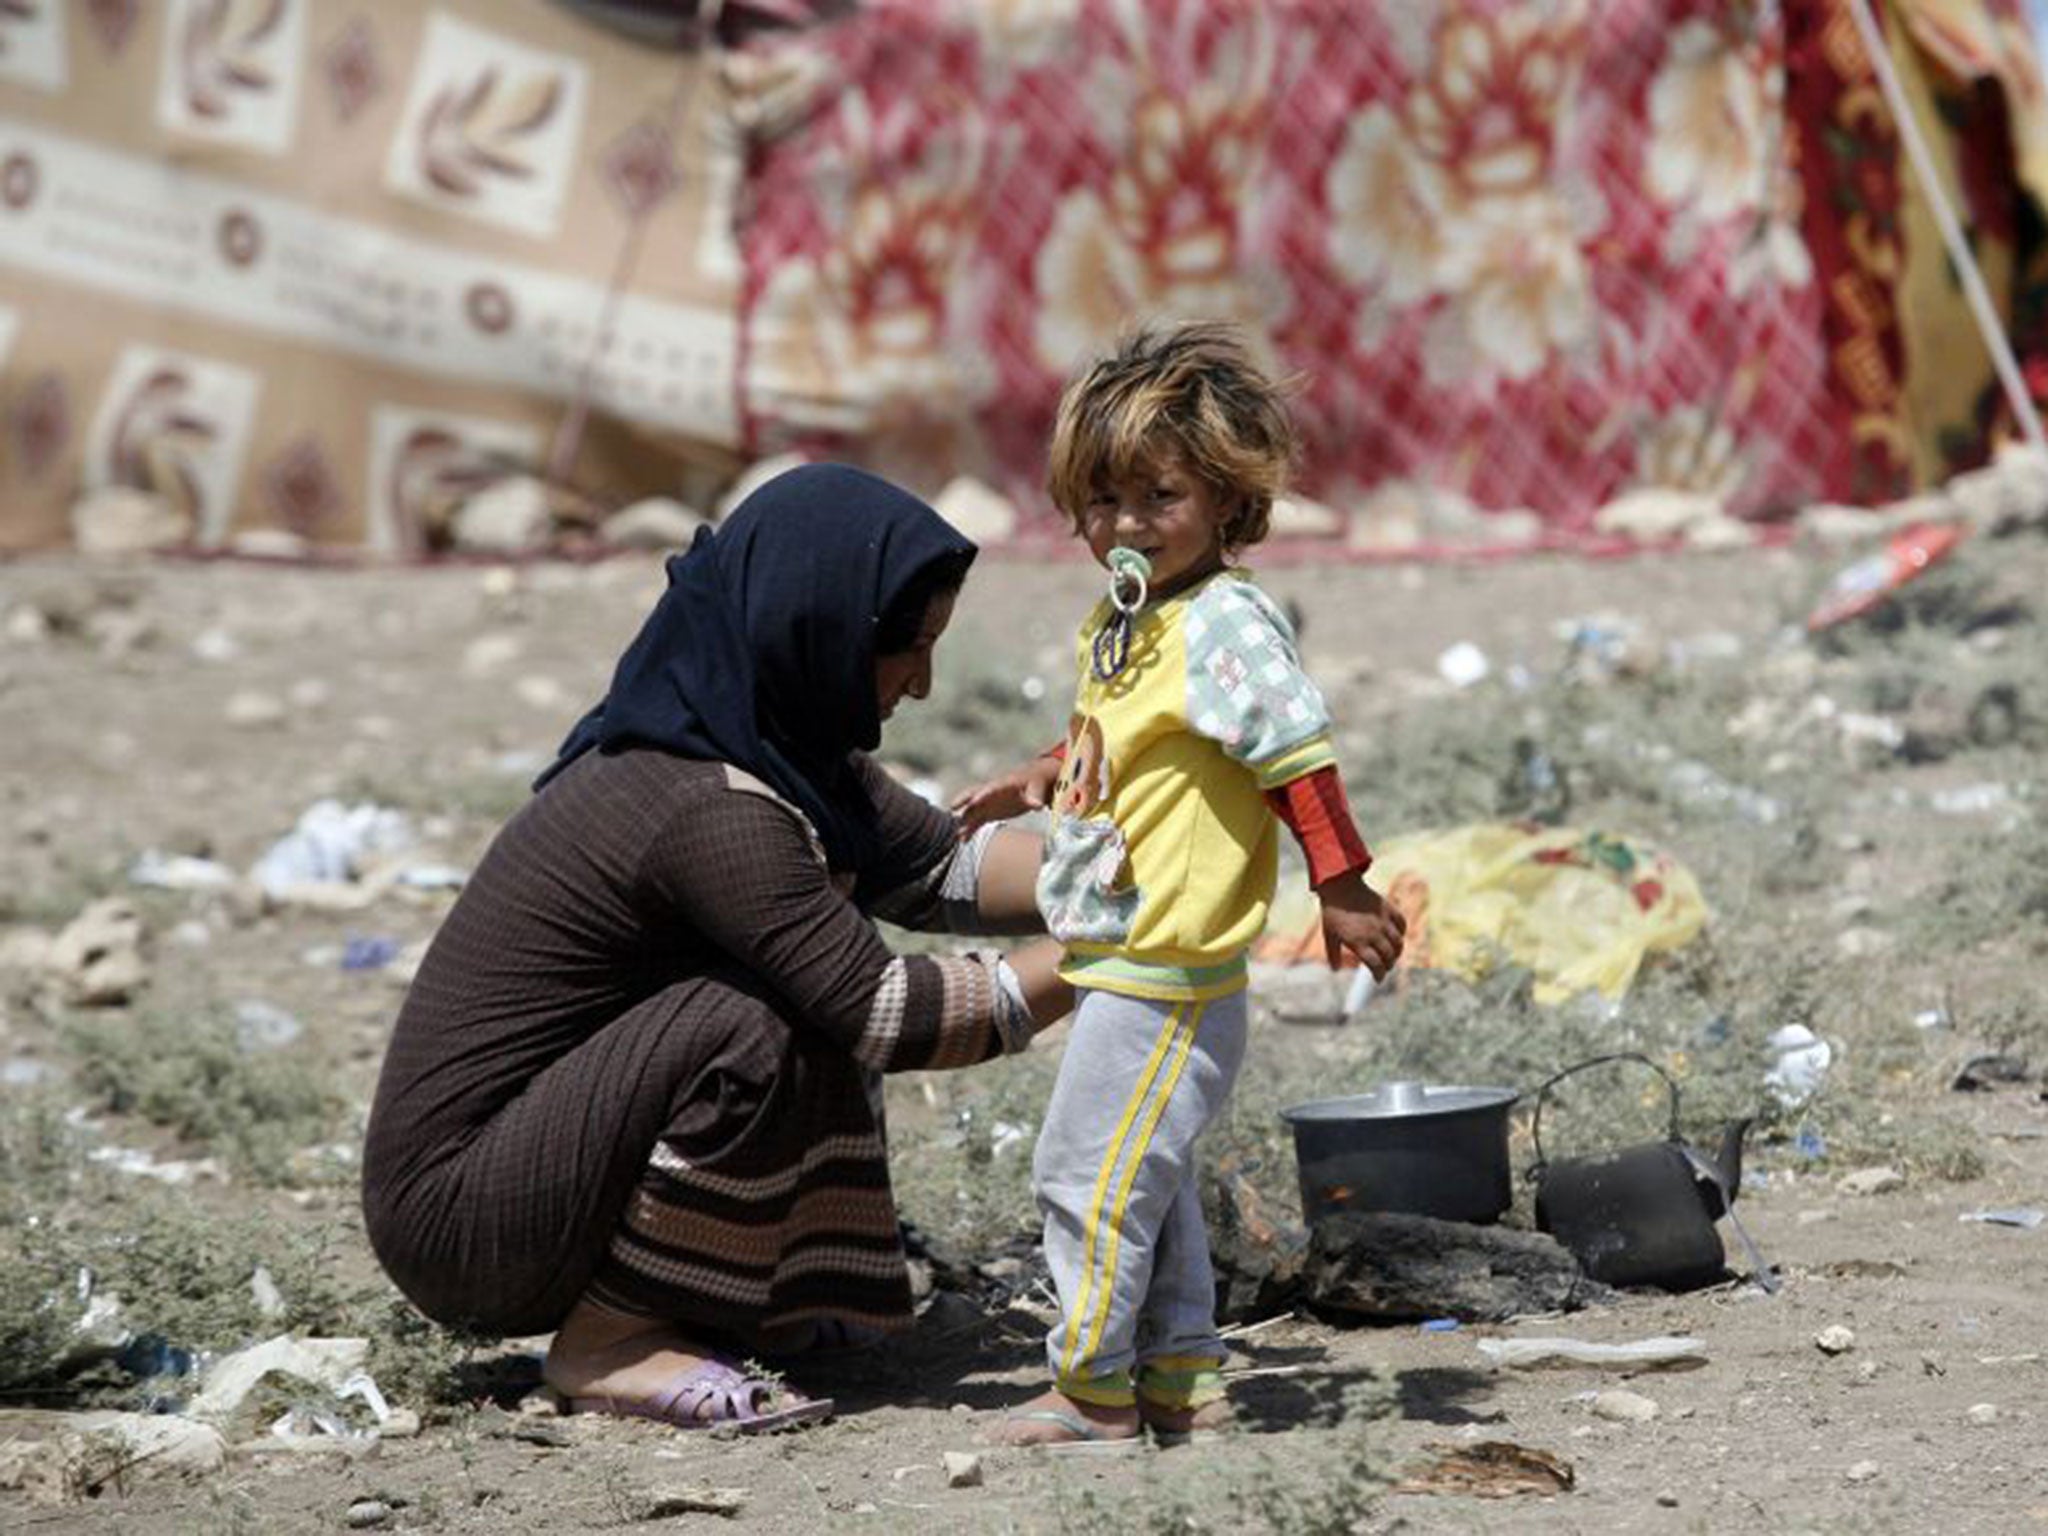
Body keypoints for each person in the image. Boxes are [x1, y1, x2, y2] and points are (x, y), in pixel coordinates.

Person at [361, 463, 1073, 1433]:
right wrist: (1116, 954)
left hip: (534, 1173)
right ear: (816, 625)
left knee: (796, 978)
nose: (923, 681)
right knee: (767, 1016)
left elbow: (945, 868)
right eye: (905, 648)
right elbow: (884, 1015)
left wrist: (1145, 880)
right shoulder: (706, 804)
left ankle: (737, 1297)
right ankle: (607, 1341)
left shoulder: (782, 751)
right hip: (467, 1221)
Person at [953, 323, 1406, 1447]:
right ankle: (1182, 1384)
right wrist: (1043, 777)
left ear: (1224, 498)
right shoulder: (1125, 624)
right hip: (1122, 945)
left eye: (1157, 496)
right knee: (1142, 1177)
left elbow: (1292, 754)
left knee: (1083, 1175)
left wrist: (1340, 885)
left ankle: (1091, 1392)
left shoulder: (1223, 621)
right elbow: (1128, 748)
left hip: (1169, 959)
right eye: (1101, 502)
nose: (1125, 525)